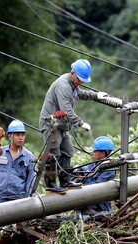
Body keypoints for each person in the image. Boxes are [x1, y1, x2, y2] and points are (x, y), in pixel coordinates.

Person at [39, 59, 109, 193]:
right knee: (53, 153)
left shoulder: (73, 85)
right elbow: (67, 110)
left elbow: (81, 93)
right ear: (72, 73)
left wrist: (96, 95)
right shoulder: (63, 86)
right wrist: (80, 123)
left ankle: (65, 181)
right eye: (80, 79)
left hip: (62, 125)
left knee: (68, 151)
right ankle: (51, 184)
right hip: (51, 125)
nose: (81, 83)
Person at [0, 120, 36, 205]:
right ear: (10, 135)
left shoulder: (29, 157)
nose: (21, 137)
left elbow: (31, 180)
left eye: (23, 135)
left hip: (18, 199)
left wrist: (28, 199)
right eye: (18, 135)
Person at [77, 136, 115, 219]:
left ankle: (98, 215)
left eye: (94, 151)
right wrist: (78, 173)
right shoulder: (93, 164)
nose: (92, 153)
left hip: (99, 207)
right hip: (88, 203)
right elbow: (83, 170)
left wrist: (81, 186)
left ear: (102, 154)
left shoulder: (109, 168)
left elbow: (97, 187)